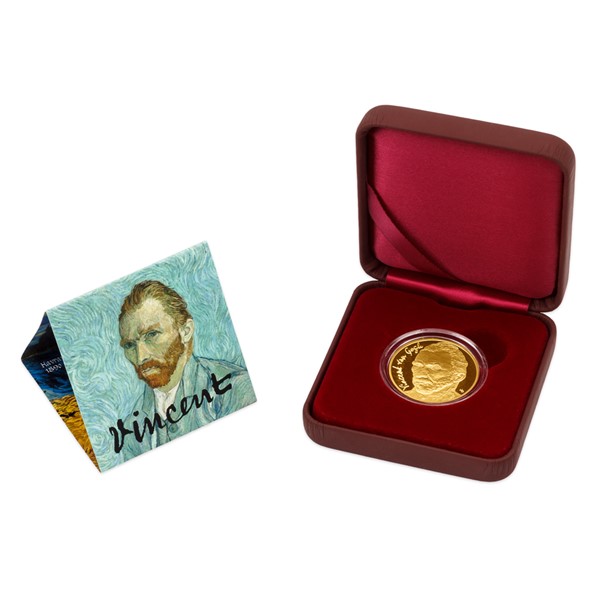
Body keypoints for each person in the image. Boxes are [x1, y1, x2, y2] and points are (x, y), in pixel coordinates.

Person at [113, 280, 255, 459]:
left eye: (152, 335)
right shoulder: (131, 431)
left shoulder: (236, 388)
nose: (141, 357)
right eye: (129, 345)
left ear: (186, 331)